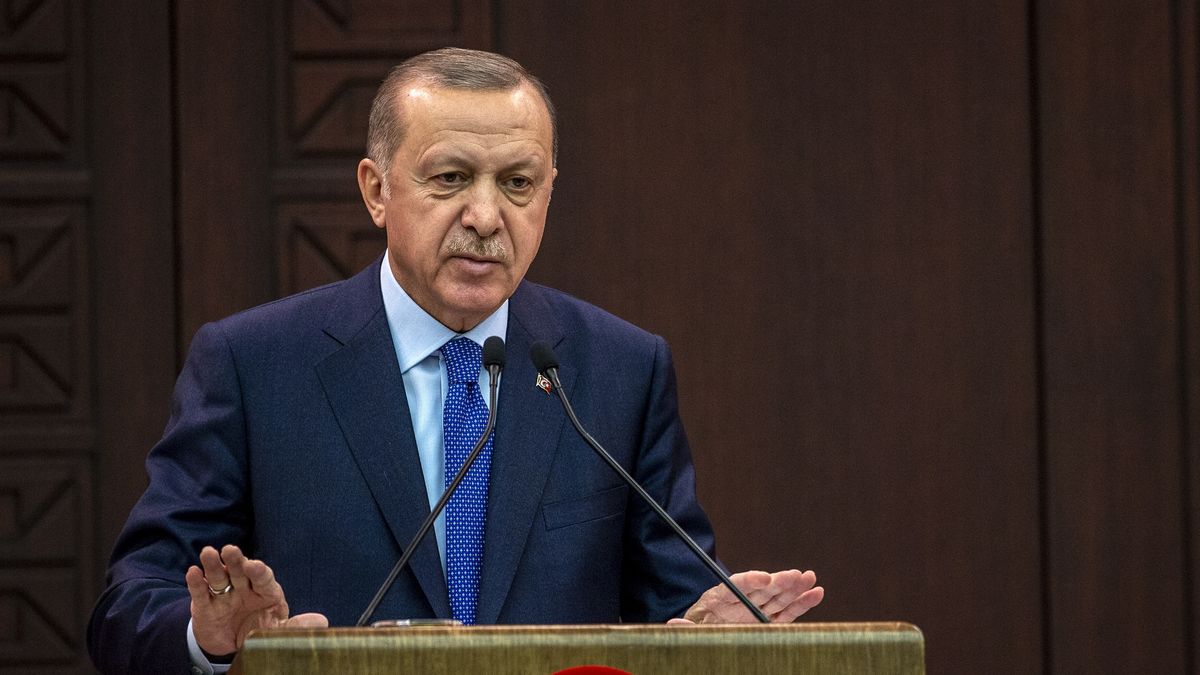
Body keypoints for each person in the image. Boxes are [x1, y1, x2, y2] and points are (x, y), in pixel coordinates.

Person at [87, 48, 824, 674]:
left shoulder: (620, 370)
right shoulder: (254, 365)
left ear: (549, 194)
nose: (485, 215)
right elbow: (128, 604)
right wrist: (208, 639)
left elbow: (672, 607)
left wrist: (708, 634)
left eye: (517, 183)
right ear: (376, 190)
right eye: (449, 179)